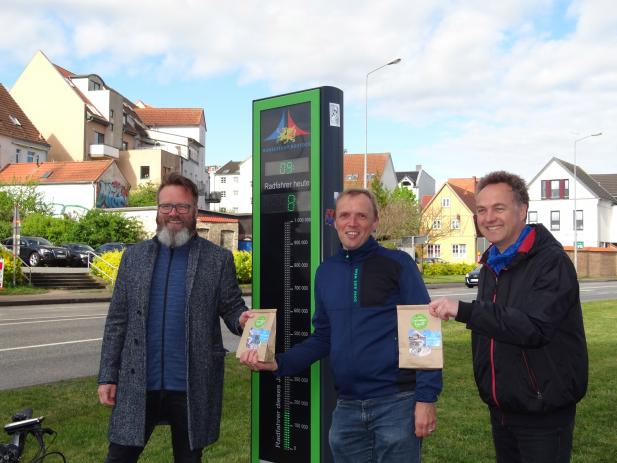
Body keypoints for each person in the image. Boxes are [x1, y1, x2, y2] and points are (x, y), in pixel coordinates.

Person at [240, 188, 442, 463]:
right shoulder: (326, 272)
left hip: (396, 403)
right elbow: (323, 337)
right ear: (335, 221)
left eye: (362, 216)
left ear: (375, 221)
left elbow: (424, 332)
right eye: (345, 215)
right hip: (346, 408)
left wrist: (426, 399)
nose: (352, 223)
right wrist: (279, 363)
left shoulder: (398, 265)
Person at [429, 171, 588, 463]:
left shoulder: (551, 263)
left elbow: (533, 327)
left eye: (499, 208)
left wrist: (464, 310)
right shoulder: (493, 262)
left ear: (522, 210)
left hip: (543, 410)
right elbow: (497, 325)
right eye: (481, 210)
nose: (489, 217)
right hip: (502, 405)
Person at [98, 173, 250, 463]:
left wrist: (243, 320)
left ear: (195, 211)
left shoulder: (217, 259)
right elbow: (117, 320)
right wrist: (107, 375)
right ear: (157, 211)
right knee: (118, 457)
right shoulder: (134, 258)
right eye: (166, 206)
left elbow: (231, 306)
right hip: (139, 382)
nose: (174, 213)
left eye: (182, 207)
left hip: (191, 384)